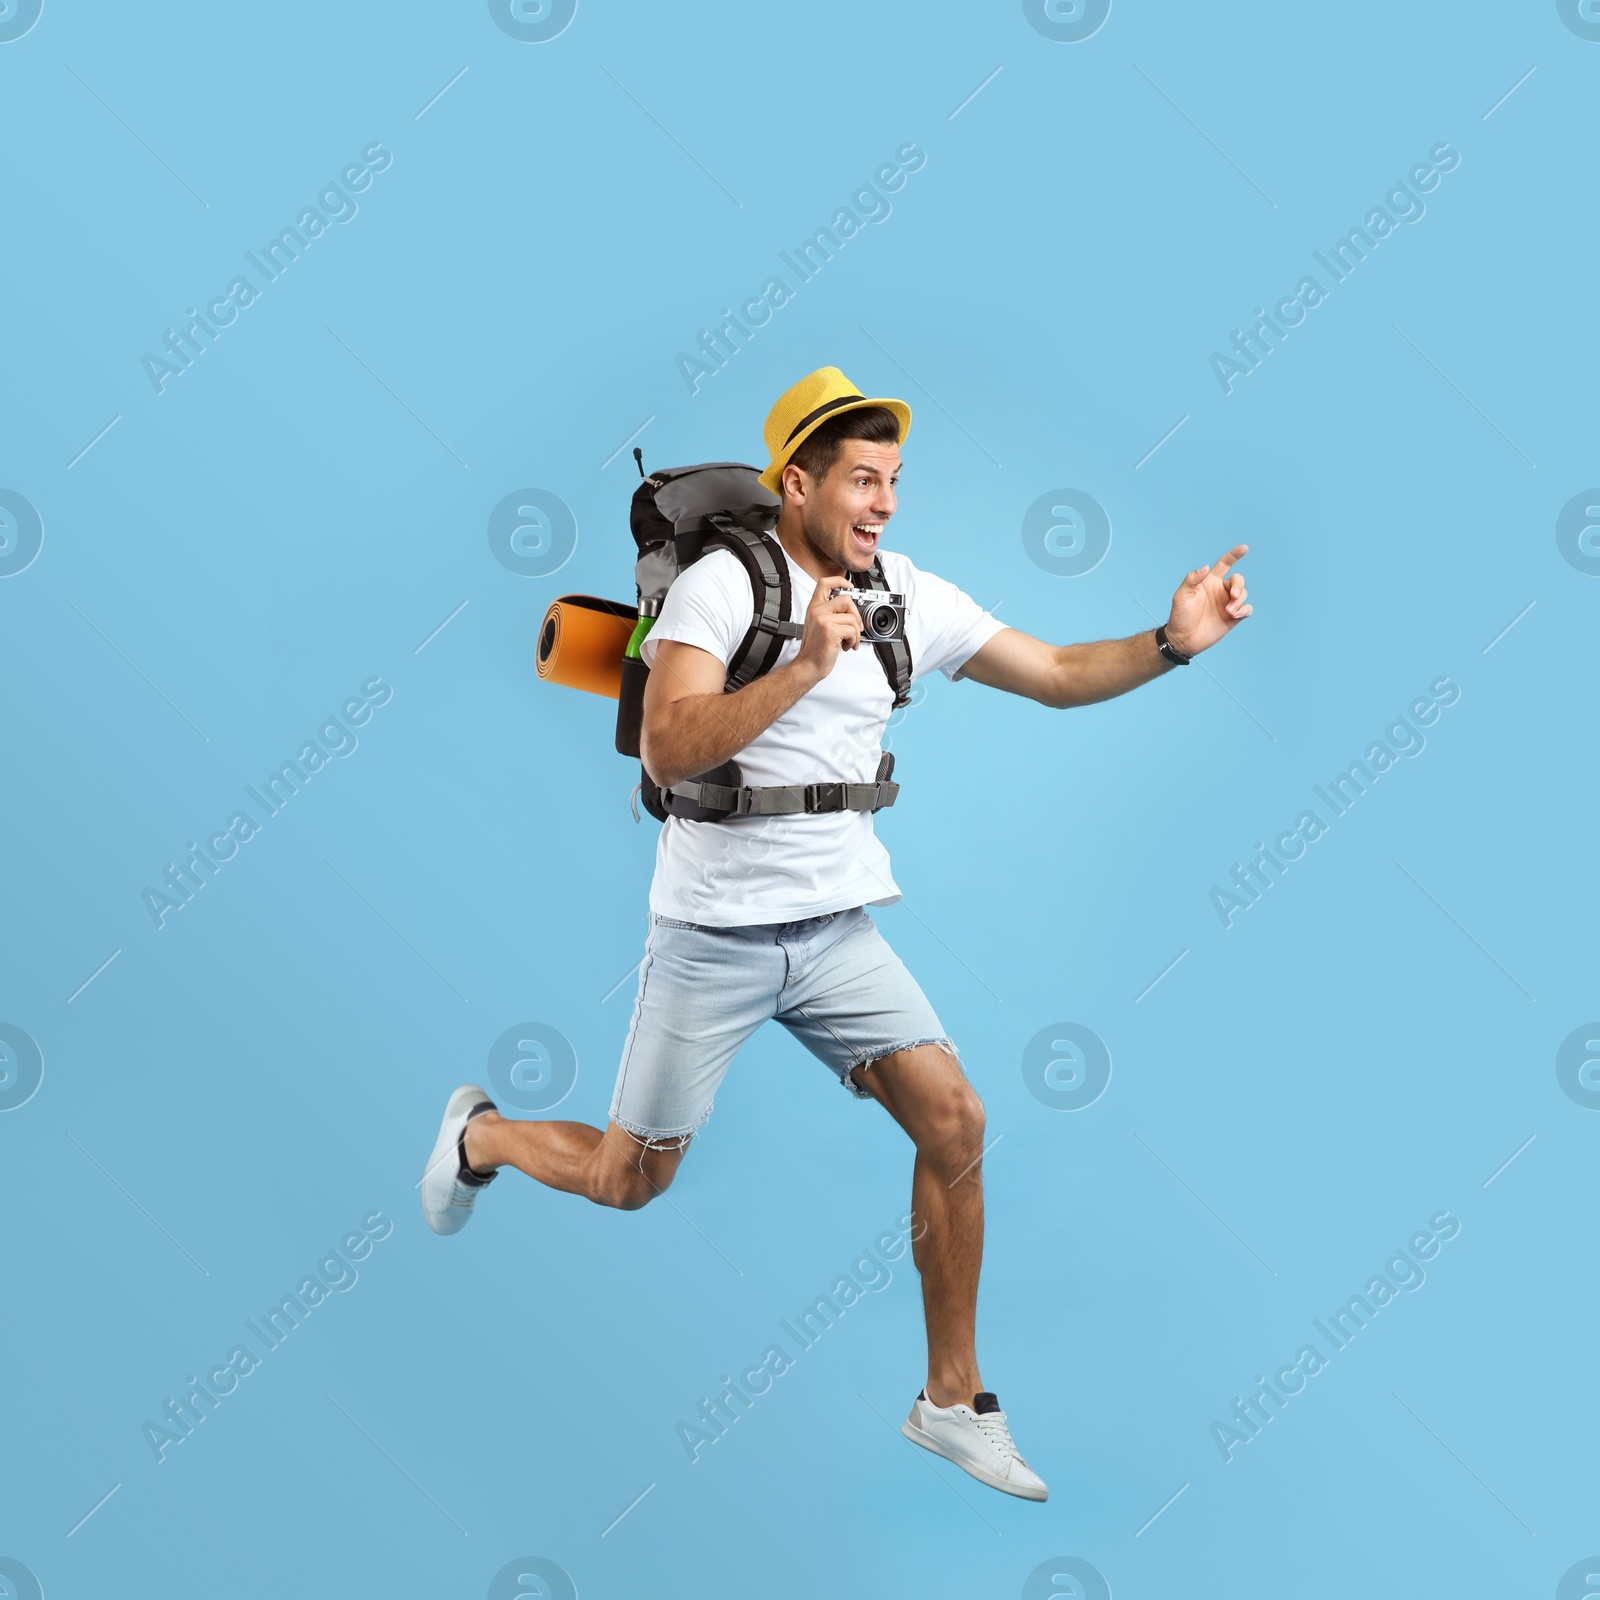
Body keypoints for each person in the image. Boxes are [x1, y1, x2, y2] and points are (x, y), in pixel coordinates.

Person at [421, 366, 1251, 1502]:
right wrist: (808, 662)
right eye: (863, 479)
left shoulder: (903, 592)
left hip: (833, 932)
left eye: (895, 479)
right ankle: (483, 1138)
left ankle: (949, 1403)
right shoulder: (720, 589)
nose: (885, 503)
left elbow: (1054, 674)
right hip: (711, 936)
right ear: (797, 484)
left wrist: (1172, 639)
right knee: (628, 1181)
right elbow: (669, 749)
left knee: (956, 1118)